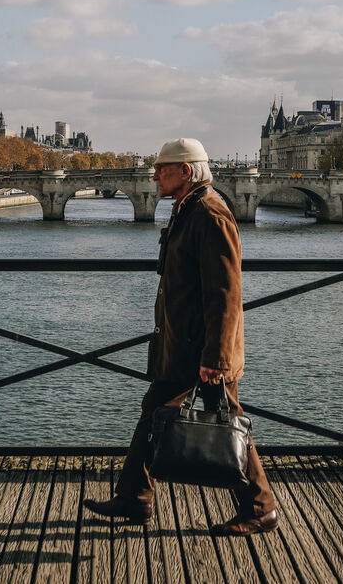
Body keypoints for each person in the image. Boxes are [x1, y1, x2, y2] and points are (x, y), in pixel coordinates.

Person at [84, 138, 277, 536]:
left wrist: (217, 357)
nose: (154, 175)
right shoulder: (188, 208)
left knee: (228, 421)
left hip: (201, 349)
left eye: (162, 169)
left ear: (185, 171)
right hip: (183, 343)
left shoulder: (210, 213)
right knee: (154, 413)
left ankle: (260, 508)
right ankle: (134, 497)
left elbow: (225, 293)